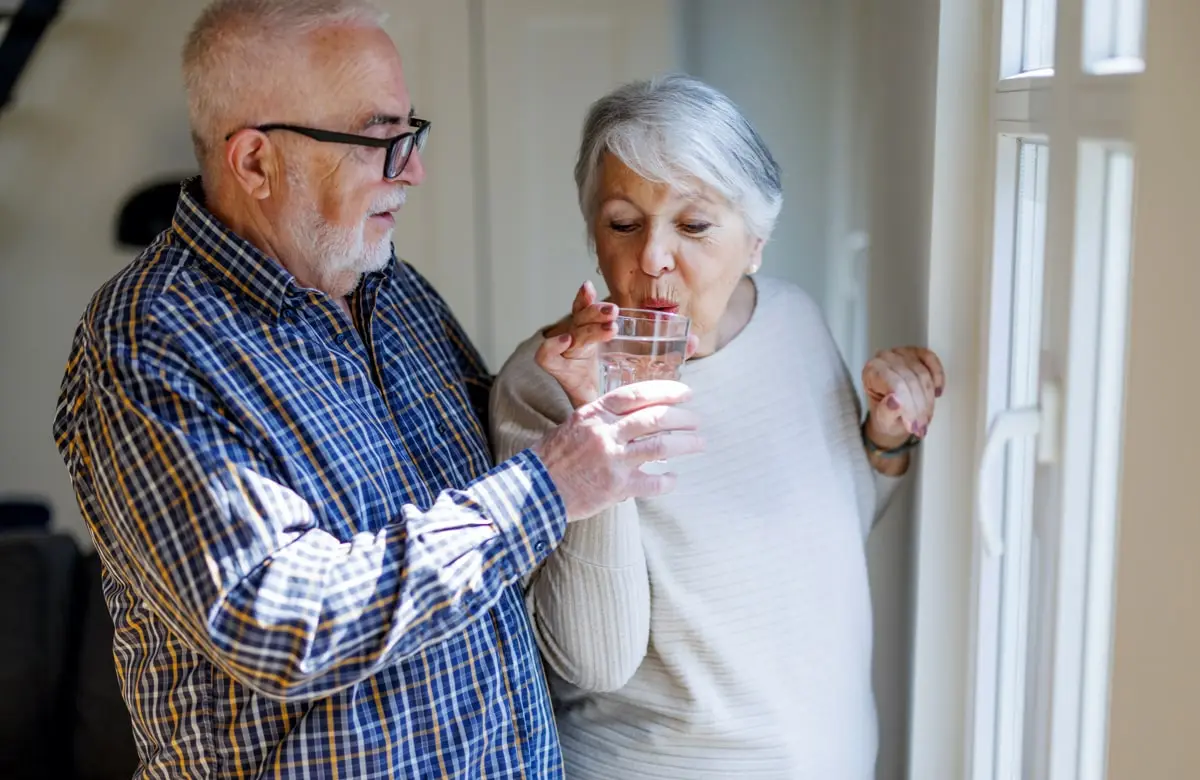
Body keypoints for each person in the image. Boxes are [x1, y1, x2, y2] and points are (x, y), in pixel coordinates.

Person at [51, 2, 703, 777]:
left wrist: (552, 379)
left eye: (410, 130)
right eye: (376, 136)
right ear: (255, 162)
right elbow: (282, 622)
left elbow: (481, 507)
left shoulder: (389, 287)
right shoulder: (149, 340)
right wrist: (550, 486)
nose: (414, 167)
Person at [490, 75, 946, 779]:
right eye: (621, 223)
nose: (652, 258)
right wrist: (600, 424)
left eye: (694, 225)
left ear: (756, 240)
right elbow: (594, 659)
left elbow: (828, 539)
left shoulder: (791, 321)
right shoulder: (543, 384)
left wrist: (885, 437)